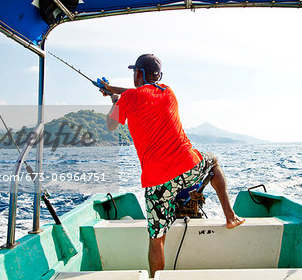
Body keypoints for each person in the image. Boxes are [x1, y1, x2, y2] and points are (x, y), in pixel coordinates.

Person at [100, 54, 244, 277]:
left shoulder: (128, 99)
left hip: (158, 182)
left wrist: (115, 99)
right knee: (213, 163)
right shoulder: (168, 91)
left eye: (134, 73)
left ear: (138, 73)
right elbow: (136, 93)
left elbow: (111, 125)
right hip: (189, 169)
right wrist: (111, 88)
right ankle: (230, 217)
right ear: (158, 76)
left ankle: (154, 278)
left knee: (157, 238)